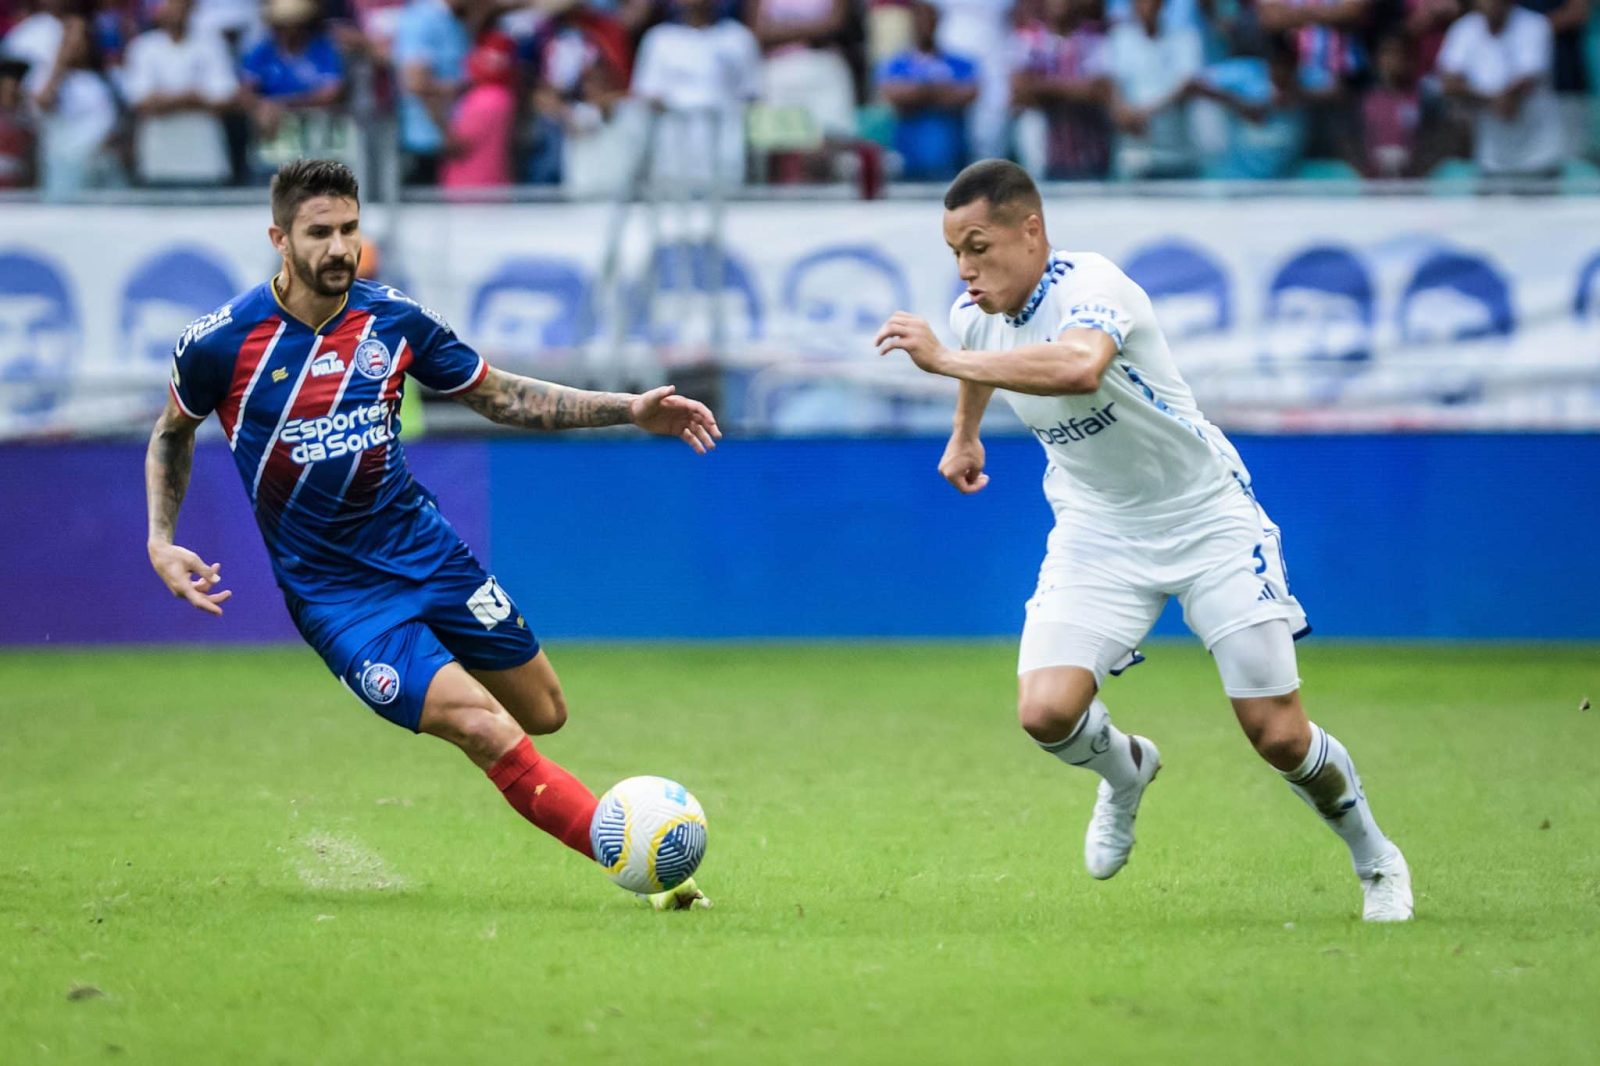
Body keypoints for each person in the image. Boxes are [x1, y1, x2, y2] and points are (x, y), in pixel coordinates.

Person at [144, 159, 719, 909]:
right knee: (486, 727)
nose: (340, 248)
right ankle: (636, 865)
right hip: (340, 598)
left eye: (350, 229)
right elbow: (170, 435)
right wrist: (161, 536)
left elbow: (501, 394)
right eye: (320, 233)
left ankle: (448, 689)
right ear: (279, 239)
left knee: (545, 711)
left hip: (427, 553)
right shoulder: (221, 343)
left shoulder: (392, 320)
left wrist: (627, 409)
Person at [871, 159, 1412, 922]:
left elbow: (1080, 367)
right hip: (1097, 532)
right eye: (955, 252)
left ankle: (1375, 857)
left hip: (1206, 520)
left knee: (1278, 735)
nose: (965, 269)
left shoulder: (1094, 284)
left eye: (978, 247)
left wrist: (945, 360)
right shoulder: (972, 317)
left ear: (1032, 230)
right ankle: (1125, 772)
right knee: (1046, 713)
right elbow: (980, 360)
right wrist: (966, 433)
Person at [1438, 0, 1565, 177]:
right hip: (1491, 158)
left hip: (1539, 155)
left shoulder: (1535, 25)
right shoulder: (1464, 30)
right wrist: (1492, 99)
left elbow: (1527, 80)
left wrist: (1487, 97)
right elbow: (1448, 83)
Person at [121, 0, 238, 187]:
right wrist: (193, 97)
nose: (176, 10)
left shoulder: (211, 45)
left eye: (181, 4)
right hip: (158, 158)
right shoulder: (143, 47)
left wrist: (164, 99)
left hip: (204, 156)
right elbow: (139, 101)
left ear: (191, 8)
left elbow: (225, 99)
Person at [876, 0, 979, 181]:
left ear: (938, 21)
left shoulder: (961, 62)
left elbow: (969, 94)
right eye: (919, 19)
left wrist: (918, 92)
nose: (924, 25)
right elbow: (893, 95)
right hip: (909, 161)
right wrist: (941, 90)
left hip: (953, 161)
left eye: (928, 19)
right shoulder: (896, 63)